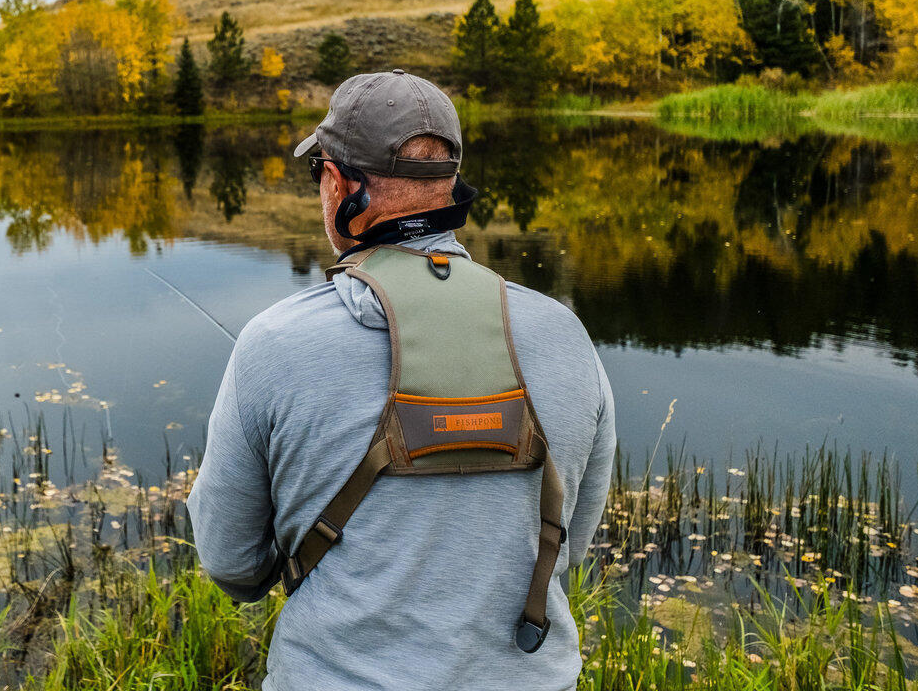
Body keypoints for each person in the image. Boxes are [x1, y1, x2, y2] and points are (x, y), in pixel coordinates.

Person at [187, 69, 615, 690]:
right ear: (449, 186)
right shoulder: (565, 335)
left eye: (319, 176)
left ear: (338, 184)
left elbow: (234, 567)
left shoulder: (274, 345)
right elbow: (569, 542)